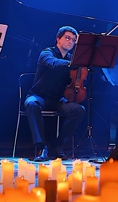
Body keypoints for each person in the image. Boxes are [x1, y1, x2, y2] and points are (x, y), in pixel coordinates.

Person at [25, 26, 87, 161]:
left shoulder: (72, 59)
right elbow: (53, 63)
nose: (71, 41)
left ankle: (58, 146)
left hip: (58, 99)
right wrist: (73, 63)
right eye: (67, 38)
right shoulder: (47, 52)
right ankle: (41, 147)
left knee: (79, 110)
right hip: (39, 95)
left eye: (73, 40)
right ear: (58, 39)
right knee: (31, 103)